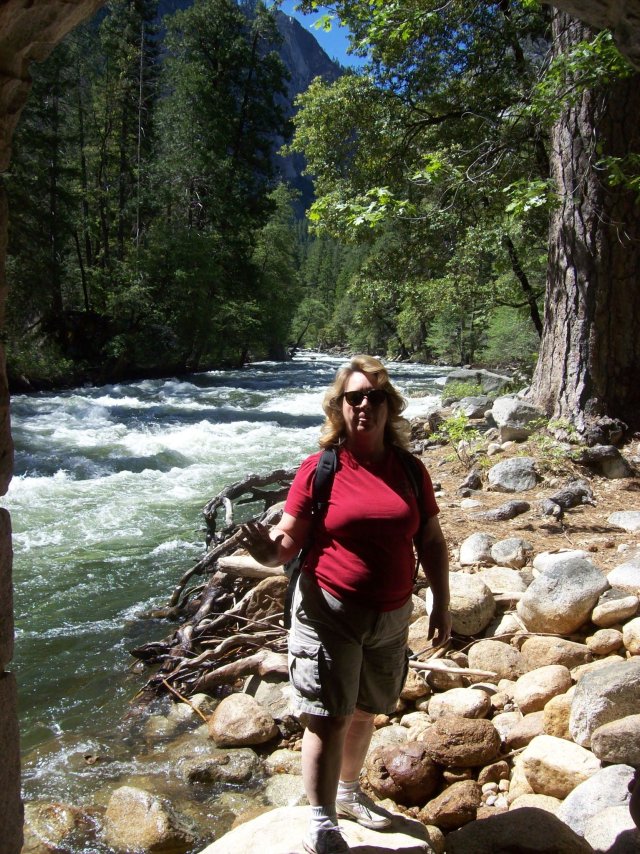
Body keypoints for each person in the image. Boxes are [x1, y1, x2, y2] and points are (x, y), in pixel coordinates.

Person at [239, 355, 451, 854]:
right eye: (354, 397)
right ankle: (321, 819)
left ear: (389, 406)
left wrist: (442, 603)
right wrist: (264, 550)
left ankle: (351, 794)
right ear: (339, 407)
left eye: (375, 397)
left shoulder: (410, 470)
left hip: (392, 616)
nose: (365, 406)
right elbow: (286, 543)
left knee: (363, 711)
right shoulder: (321, 469)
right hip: (328, 612)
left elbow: (433, 541)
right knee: (328, 715)